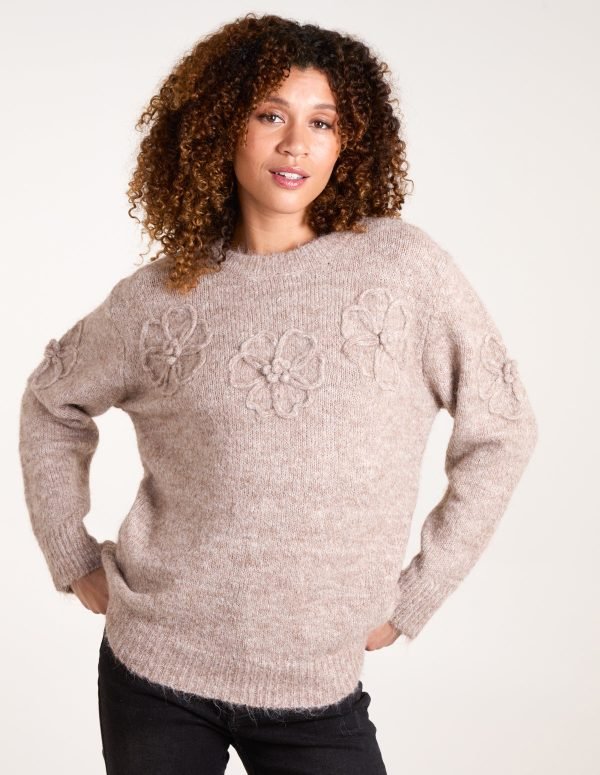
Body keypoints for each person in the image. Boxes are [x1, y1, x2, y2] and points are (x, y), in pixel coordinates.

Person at [18, 12, 538, 775]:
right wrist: (70, 551)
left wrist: (418, 592)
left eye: (322, 122)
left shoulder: (406, 273)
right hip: (154, 670)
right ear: (221, 127)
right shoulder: (159, 297)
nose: (296, 143)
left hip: (318, 688)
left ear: (348, 141)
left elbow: (503, 428)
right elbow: (51, 402)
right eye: (270, 115)